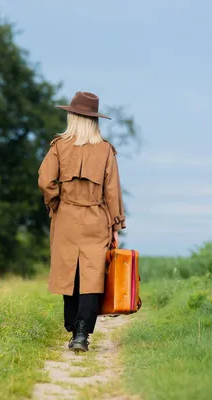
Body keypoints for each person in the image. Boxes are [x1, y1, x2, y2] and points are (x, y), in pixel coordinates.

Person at [38, 91, 126, 353]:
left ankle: (72, 327)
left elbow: (45, 181)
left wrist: (55, 204)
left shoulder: (59, 146)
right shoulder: (106, 150)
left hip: (66, 216)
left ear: (73, 117)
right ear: (94, 120)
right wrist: (115, 226)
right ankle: (81, 334)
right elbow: (112, 192)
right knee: (92, 274)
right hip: (96, 219)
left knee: (69, 272)